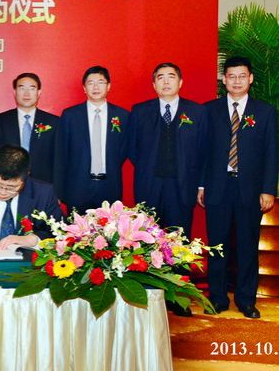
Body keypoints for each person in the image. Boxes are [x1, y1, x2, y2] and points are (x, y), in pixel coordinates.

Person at [199, 56, 277, 319]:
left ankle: (246, 300)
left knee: (247, 247)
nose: (236, 81)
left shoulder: (265, 111)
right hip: (217, 188)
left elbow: (271, 153)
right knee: (217, 247)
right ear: (224, 79)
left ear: (250, 78)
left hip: (250, 191)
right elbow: (203, 153)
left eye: (242, 76)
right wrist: (201, 185)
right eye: (231, 76)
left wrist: (268, 189)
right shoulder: (209, 110)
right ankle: (217, 298)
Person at [128, 62, 208, 317]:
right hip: (149, 185)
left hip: (181, 186)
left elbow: (204, 152)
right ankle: (149, 296)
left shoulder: (196, 112)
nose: (165, 81)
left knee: (178, 242)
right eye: (160, 77)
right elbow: (132, 150)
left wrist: (200, 184)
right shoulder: (140, 111)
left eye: (171, 77)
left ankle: (178, 299)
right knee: (147, 241)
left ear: (180, 82)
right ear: (154, 84)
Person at [54, 66, 130, 214]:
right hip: (77, 187)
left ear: (108, 86)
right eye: (90, 83)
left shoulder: (123, 116)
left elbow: (123, 150)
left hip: (110, 186)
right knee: (76, 228)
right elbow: (61, 154)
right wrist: (58, 191)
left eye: (100, 82)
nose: (95, 87)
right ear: (84, 88)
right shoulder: (70, 115)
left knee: (109, 228)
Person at [0, 72, 59, 183]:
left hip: (43, 182)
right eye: (22, 88)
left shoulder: (53, 122)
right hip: (9, 182)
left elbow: (58, 157)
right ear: (15, 92)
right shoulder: (1, 120)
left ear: (38, 92)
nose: (26, 93)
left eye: (32, 89)